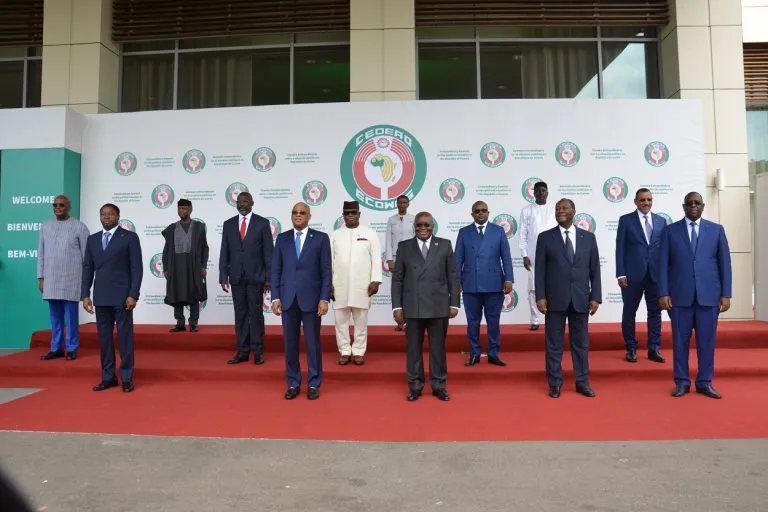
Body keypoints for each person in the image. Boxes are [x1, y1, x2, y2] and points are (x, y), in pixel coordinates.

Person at [658, 191, 732, 399]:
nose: (693, 206)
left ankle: (704, 382)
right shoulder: (670, 231)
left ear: (703, 205)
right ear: (683, 206)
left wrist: (726, 293)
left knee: (706, 342)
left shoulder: (716, 230)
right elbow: (662, 264)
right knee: (680, 342)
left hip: (709, 297)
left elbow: (724, 264)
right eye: (689, 203)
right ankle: (682, 382)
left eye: (697, 203)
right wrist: (663, 292)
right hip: (679, 297)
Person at [535, 198, 602, 399]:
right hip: (555, 299)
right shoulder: (545, 238)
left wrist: (595, 296)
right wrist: (541, 296)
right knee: (553, 345)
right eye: (557, 209)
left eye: (564, 208)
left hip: (580, 299)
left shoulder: (588, 238)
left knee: (581, 344)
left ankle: (582, 382)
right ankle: (555, 383)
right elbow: (540, 271)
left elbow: (595, 270)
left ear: (574, 211)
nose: (560, 211)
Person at [392, 212, 460, 402]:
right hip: (413, 306)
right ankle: (415, 385)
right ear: (414, 226)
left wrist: (454, 303)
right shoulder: (404, 247)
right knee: (413, 349)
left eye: (427, 225)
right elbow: (397, 279)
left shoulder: (445, 245)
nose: (423, 229)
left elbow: (452, 276)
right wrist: (397, 307)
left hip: (438, 307)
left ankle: (439, 385)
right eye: (419, 225)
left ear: (433, 226)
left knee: (438, 349)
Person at [271, 202, 332, 401]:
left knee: (313, 344)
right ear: (291, 216)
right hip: (288, 299)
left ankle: (313, 383)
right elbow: (276, 270)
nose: (298, 216)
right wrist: (276, 297)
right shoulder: (282, 239)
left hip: (312, 300)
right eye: (295, 213)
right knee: (290, 344)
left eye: (302, 213)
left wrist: (324, 298)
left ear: (309, 216)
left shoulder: (321, 239)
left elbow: (326, 271)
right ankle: (293, 382)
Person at [82, 203, 143, 392]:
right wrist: (85, 295)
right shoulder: (92, 240)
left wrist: (133, 294)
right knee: (105, 340)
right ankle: (108, 377)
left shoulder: (129, 237)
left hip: (122, 297)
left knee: (125, 338)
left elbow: (136, 268)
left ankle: (126, 377)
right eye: (103, 214)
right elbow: (87, 269)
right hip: (100, 297)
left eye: (110, 214)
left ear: (117, 216)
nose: (106, 217)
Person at [454, 200, 514, 366]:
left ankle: (493, 353)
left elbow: (506, 257)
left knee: (493, 322)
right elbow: (457, 259)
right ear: (472, 214)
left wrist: (508, 279)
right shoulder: (464, 232)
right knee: (473, 322)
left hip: (494, 284)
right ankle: (474, 353)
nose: (480, 213)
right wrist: (456, 281)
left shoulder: (498, 231)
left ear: (488, 212)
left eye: (483, 210)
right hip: (470, 284)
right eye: (477, 211)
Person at [219, 192, 273, 365]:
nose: (242, 204)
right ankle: (242, 351)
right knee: (240, 314)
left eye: (245, 201)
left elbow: (268, 253)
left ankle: (258, 350)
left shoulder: (262, 223)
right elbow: (224, 252)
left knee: (255, 314)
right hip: (236, 277)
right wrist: (223, 275)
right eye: (239, 202)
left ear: (252, 203)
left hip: (256, 277)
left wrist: (269, 278)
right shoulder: (228, 224)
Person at [615, 188, 666, 363]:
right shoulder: (626, 220)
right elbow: (620, 248)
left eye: (649, 200)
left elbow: (664, 250)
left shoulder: (661, 221)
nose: (646, 203)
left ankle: (654, 348)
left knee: (655, 313)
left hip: (655, 275)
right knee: (629, 312)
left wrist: (665, 274)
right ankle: (631, 348)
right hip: (631, 275)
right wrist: (620, 273)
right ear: (635, 201)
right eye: (643, 200)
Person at [37, 194, 90, 361]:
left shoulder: (79, 227)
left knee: (71, 316)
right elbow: (41, 253)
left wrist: (86, 280)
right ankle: (56, 348)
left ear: (69, 207)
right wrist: (41, 277)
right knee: (55, 316)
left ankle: (72, 347)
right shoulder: (46, 226)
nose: (58, 208)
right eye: (55, 205)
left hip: (72, 278)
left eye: (61, 205)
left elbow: (86, 256)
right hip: (51, 278)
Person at [330, 200, 382, 366]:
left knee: (361, 322)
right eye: (347, 213)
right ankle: (345, 351)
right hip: (339, 286)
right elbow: (329, 261)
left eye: (353, 213)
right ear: (343, 215)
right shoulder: (335, 235)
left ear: (359, 214)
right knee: (340, 322)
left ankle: (358, 351)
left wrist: (376, 280)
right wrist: (328, 284)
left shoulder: (370, 233)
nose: (350, 216)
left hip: (363, 286)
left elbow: (376, 258)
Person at [161, 199, 209, 333]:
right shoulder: (171, 228)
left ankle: (193, 323)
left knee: (194, 291)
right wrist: (166, 267)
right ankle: (180, 322)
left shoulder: (199, 227)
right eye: (180, 208)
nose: (182, 211)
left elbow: (205, 247)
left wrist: (203, 265)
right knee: (176, 292)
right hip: (175, 265)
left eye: (185, 208)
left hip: (193, 265)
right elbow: (166, 249)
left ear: (191, 210)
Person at [519, 181, 557, 331]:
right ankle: (535, 319)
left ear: (547, 192)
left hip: (553, 253)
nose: (541, 193)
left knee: (554, 285)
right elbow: (522, 234)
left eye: (543, 190)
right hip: (533, 254)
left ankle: (553, 317)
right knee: (533, 287)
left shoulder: (554, 209)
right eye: (538, 191)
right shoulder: (527, 210)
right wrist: (524, 255)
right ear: (533, 193)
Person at [385, 195, 415, 331]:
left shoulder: (413, 219)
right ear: (396, 204)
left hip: (411, 258)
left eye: (404, 202)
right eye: (399, 202)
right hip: (397, 259)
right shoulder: (391, 220)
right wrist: (390, 260)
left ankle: (409, 320)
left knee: (410, 288)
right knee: (398, 289)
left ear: (408, 204)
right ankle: (399, 320)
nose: (402, 205)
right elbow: (388, 241)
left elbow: (417, 240)